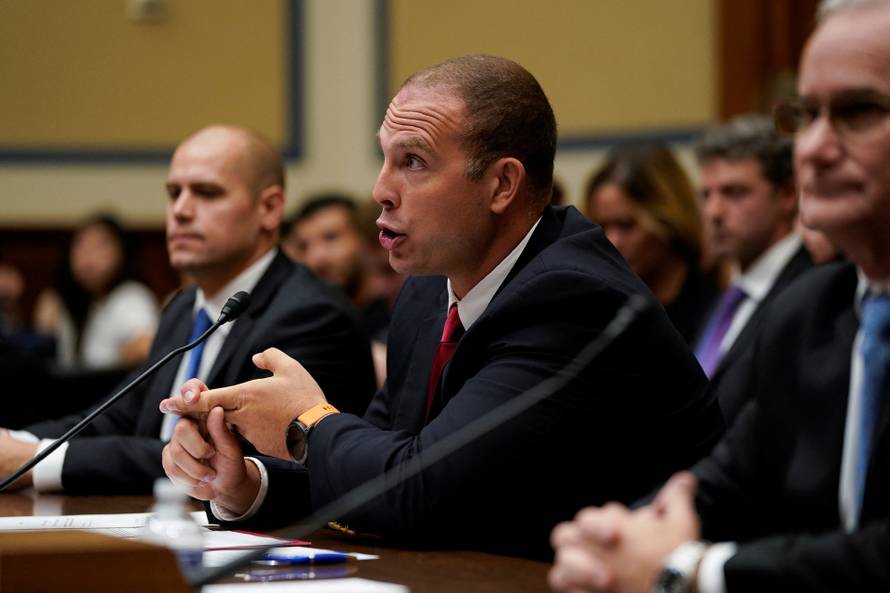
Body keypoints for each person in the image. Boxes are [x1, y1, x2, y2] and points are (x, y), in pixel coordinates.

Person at [159, 55, 722, 559]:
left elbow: (419, 490)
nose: (381, 188)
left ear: (502, 184)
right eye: (385, 159)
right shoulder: (430, 290)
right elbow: (384, 466)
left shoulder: (573, 298)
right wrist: (247, 485)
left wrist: (305, 421)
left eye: (414, 162)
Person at [549, 1, 890, 591]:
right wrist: (621, 535)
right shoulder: (810, 312)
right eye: (806, 115)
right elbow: (729, 481)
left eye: (858, 112)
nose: (813, 148)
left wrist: (696, 571)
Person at [0, 125, 375, 494]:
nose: (180, 211)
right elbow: (117, 415)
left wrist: (34, 459)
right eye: (173, 193)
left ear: (269, 208)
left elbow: (222, 461)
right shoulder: (184, 307)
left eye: (206, 193)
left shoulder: (314, 314)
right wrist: (15, 441)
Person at [693, 114, 814, 422]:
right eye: (706, 195)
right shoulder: (730, 296)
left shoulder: (810, 290)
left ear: (787, 195)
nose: (713, 212)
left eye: (734, 192)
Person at [585, 143, 720, 344]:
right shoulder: (597, 304)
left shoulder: (715, 301)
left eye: (626, 225)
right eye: (602, 226)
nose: (613, 241)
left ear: (667, 218)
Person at [33, 214, 160, 370]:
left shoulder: (130, 297)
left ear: (121, 251)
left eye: (100, 245)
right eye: (81, 245)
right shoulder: (74, 301)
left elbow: (147, 347)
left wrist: (120, 358)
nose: (88, 257)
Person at [282, 193, 391, 343]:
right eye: (304, 246)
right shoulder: (312, 328)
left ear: (363, 239)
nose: (316, 258)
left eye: (330, 237)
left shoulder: (405, 311)